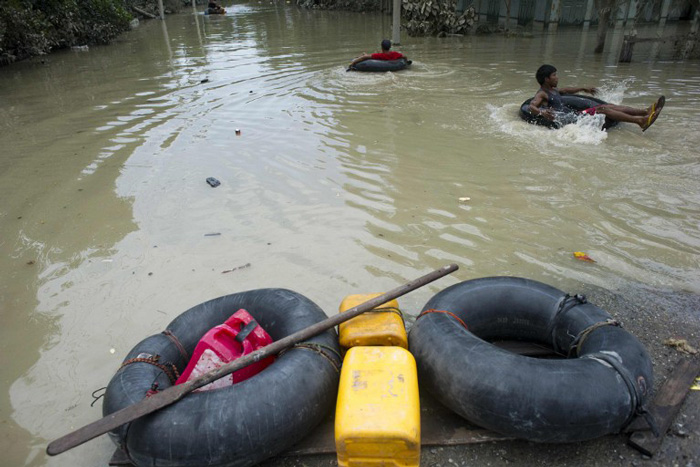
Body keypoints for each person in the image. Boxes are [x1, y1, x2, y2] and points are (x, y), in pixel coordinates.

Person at [529, 64, 665, 132]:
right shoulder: (542, 93)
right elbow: (532, 106)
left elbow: (566, 90)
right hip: (573, 119)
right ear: (546, 79)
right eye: (554, 75)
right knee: (602, 108)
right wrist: (541, 112)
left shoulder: (553, 90)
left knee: (609, 106)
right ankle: (640, 121)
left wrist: (583, 88)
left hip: (574, 114)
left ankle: (645, 112)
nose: (557, 77)